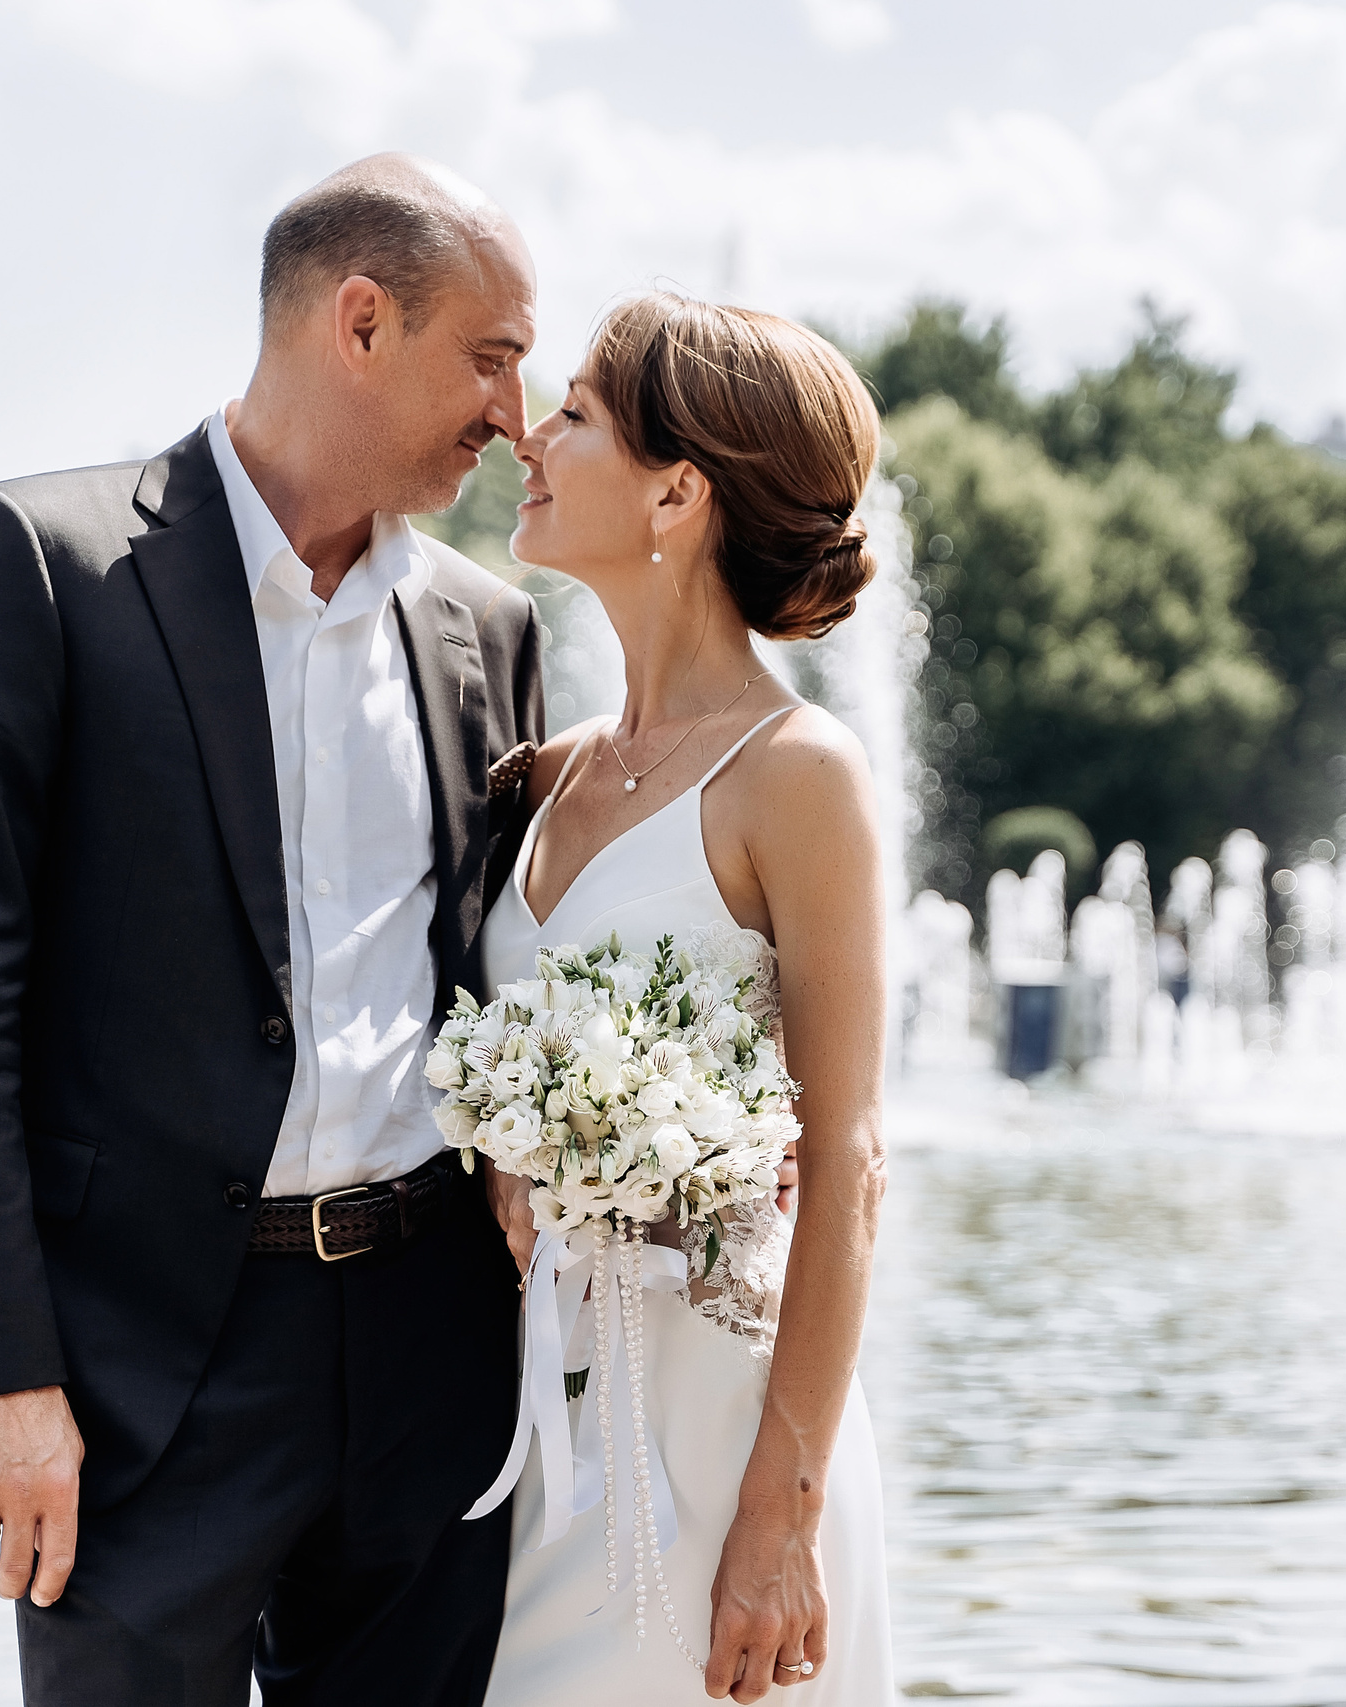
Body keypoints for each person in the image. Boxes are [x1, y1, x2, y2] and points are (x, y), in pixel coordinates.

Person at [0, 155, 546, 1705]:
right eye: (492, 357)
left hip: (431, 1363)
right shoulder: (34, 564)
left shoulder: (487, 628)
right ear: (360, 322)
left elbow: (492, 974)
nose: (516, 412)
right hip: (136, 1379)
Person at [474, 292, 893, 1705]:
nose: (531, 437)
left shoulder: (799, 774)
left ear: (678, 492)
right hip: (534, 1414)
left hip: (718, 1439)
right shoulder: (543, 771)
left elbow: (848, 1162)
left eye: (576, 413)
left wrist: (783, 1514)